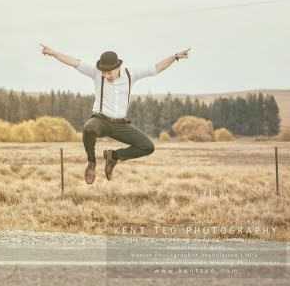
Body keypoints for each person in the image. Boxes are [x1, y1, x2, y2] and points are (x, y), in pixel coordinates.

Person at [39, 44, 190, 184]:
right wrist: (52, 53)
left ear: (118, 67)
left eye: (109, 73)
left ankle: (113, 157)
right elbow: (73, 62)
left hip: (121, 124)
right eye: (103, 73)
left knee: (148, 146)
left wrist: (176, 56)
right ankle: (91, 162)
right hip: (101, 120)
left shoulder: (131, 73)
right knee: (89, 128)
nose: (106, 76)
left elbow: (156, 68)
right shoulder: (95, 72)